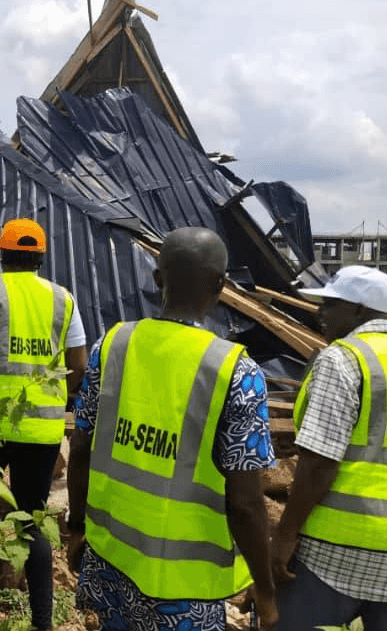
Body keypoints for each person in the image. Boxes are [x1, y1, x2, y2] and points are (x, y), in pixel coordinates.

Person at [66, 226, 278, 631]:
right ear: (220, 285)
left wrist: (77, 528)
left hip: (111, 564)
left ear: (157, 278)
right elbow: (247, 502)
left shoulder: (112, 345)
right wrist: (265, 590)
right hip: (184, 593)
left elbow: (81, 447)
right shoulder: (236, 372)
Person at [271, 265, 387, 630]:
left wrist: (284, 537)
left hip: (335, 556)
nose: (321, 313)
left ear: (360, 311)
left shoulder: (343, 359)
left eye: (331, 305)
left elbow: (319, 465)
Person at [0, 218, 87, 631]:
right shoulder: (64, 299)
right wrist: (54, 397)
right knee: (32, 517)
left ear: (1, 254)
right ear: (40, 258)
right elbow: (78, 366)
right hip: (41, 431)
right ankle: (42, 621)